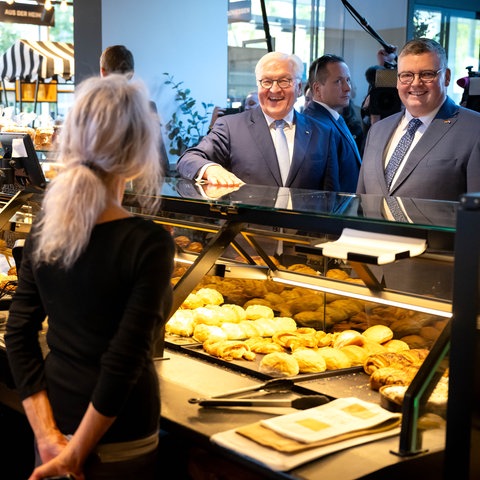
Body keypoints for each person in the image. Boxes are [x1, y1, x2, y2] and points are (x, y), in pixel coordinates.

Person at [5, 74, 175, 479]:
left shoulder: (49, 227)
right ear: (137, 154)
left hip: (55, 424)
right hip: (122, 437)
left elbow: (18, 334)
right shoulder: (148, 241)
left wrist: (49, 439)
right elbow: (123, 362)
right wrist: (76, 454)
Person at [176, 51, 353, 192]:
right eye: (266, 82)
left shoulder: (323, 133)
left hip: (303, 236)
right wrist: (210, 169)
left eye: (284, 81)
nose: (274, 90)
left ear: (299, 88)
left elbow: (330, 195)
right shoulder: (231, 127)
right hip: (245, 234)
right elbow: (188, 159)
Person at [357, 38, 480, 201]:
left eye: (427, 74)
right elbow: (360, 201)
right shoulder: (377, 131)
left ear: (447, 77)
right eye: (406, 75)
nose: (415, 83)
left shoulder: (474, 130)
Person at [100, 45, 170, 176]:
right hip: (143, 190)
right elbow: (162, 164)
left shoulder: (91, 109)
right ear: (131, 73)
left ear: (102, 72)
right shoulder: (147, 108)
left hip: (100, 191)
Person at [303, 54, 362, 192]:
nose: (348, 87)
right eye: (338, 81)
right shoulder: (316, 126)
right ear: (317, 89)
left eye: (348, 80)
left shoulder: (332, 118)